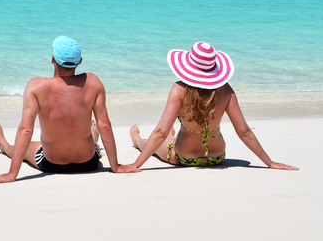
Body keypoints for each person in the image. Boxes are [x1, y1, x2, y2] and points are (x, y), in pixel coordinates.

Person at [122, 41, 297, 171]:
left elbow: (159, 132)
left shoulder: (179, 90)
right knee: (168, 137)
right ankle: (169, 136)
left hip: (184, 157)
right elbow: (244, 132)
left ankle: (136, 139)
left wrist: (136, 165)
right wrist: (269, 163)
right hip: (216, 158)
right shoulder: (226, 90)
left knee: (160, 141)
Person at [0, 36, 135, 184]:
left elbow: (25, 130)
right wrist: (115, 166)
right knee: (92, 143)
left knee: (30, 147)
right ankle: (93, 138)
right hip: (89, 162)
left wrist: (12, 174)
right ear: (80, 62)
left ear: (52, 59)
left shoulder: (36, 87)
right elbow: (105, 125)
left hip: (52, 163)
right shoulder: (93, 83)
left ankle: (3, 145)